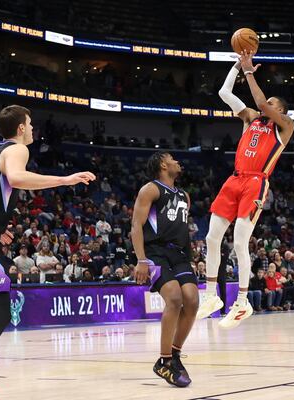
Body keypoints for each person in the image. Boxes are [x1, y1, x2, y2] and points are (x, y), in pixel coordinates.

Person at [0, 105, 95, 400]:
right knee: (0, 311)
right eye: (29, 124)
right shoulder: (16, 149)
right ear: (20, 129)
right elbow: (16, 178)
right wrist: (65, 180)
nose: (32, 128)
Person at [197, 50, 294, 328]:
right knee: (211, 238)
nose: (268, 105)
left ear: (281, 112)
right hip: (234, 179)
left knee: (239, 242)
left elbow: (263, 103)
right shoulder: (250, 118)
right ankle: (211, 295)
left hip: (256, 181)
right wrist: (238, 67)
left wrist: (251, 72)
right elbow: (224, 92)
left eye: (274, 104)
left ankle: (242, 302)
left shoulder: (285, 126)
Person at [131, 152, 198, 388]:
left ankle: (176, 353)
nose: (177, 161)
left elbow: (181, 229)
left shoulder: (184, 195)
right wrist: (141, 260)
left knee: (192, 301)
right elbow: (136, 226)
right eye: (172, 158)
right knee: (174, 298)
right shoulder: (151, 189)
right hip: (155, 252)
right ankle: (164, 360)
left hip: (179, 254)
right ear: (162, 164)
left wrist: (191, 255)